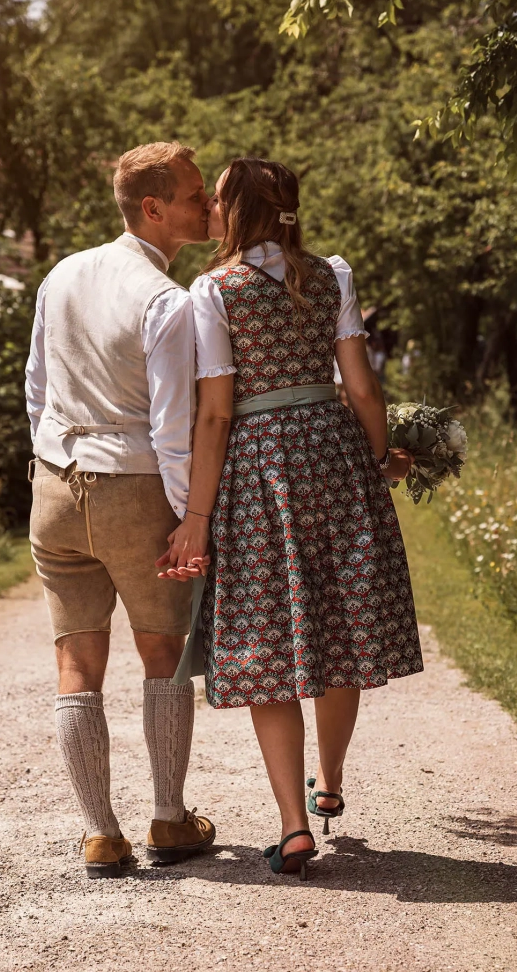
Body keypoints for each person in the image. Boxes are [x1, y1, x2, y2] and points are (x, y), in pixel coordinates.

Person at [158, 157, 423, 881]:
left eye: (214, 199)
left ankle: (293, 826)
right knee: (339, 620)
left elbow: (215, 411)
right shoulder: (330, 273)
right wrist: (378, 463)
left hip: (259, 468)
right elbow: (362, 388)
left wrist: (197, 515)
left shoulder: (213, 289)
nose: (208, 210)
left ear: (237, 209)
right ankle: (330, 780)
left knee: (267, 637)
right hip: (334, 457)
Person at [25, 141, 216, 879]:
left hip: (55, 484)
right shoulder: (165, 300)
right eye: (196, 195)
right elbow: (173, 428)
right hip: (135, 485)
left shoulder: (62, 272)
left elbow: (36, 386)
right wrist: (185, 517)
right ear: (154, 207)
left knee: (76, 660)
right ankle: (169, 820)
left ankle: (101, 835)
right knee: (162, 654)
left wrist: (49, 463)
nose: (206, 207)